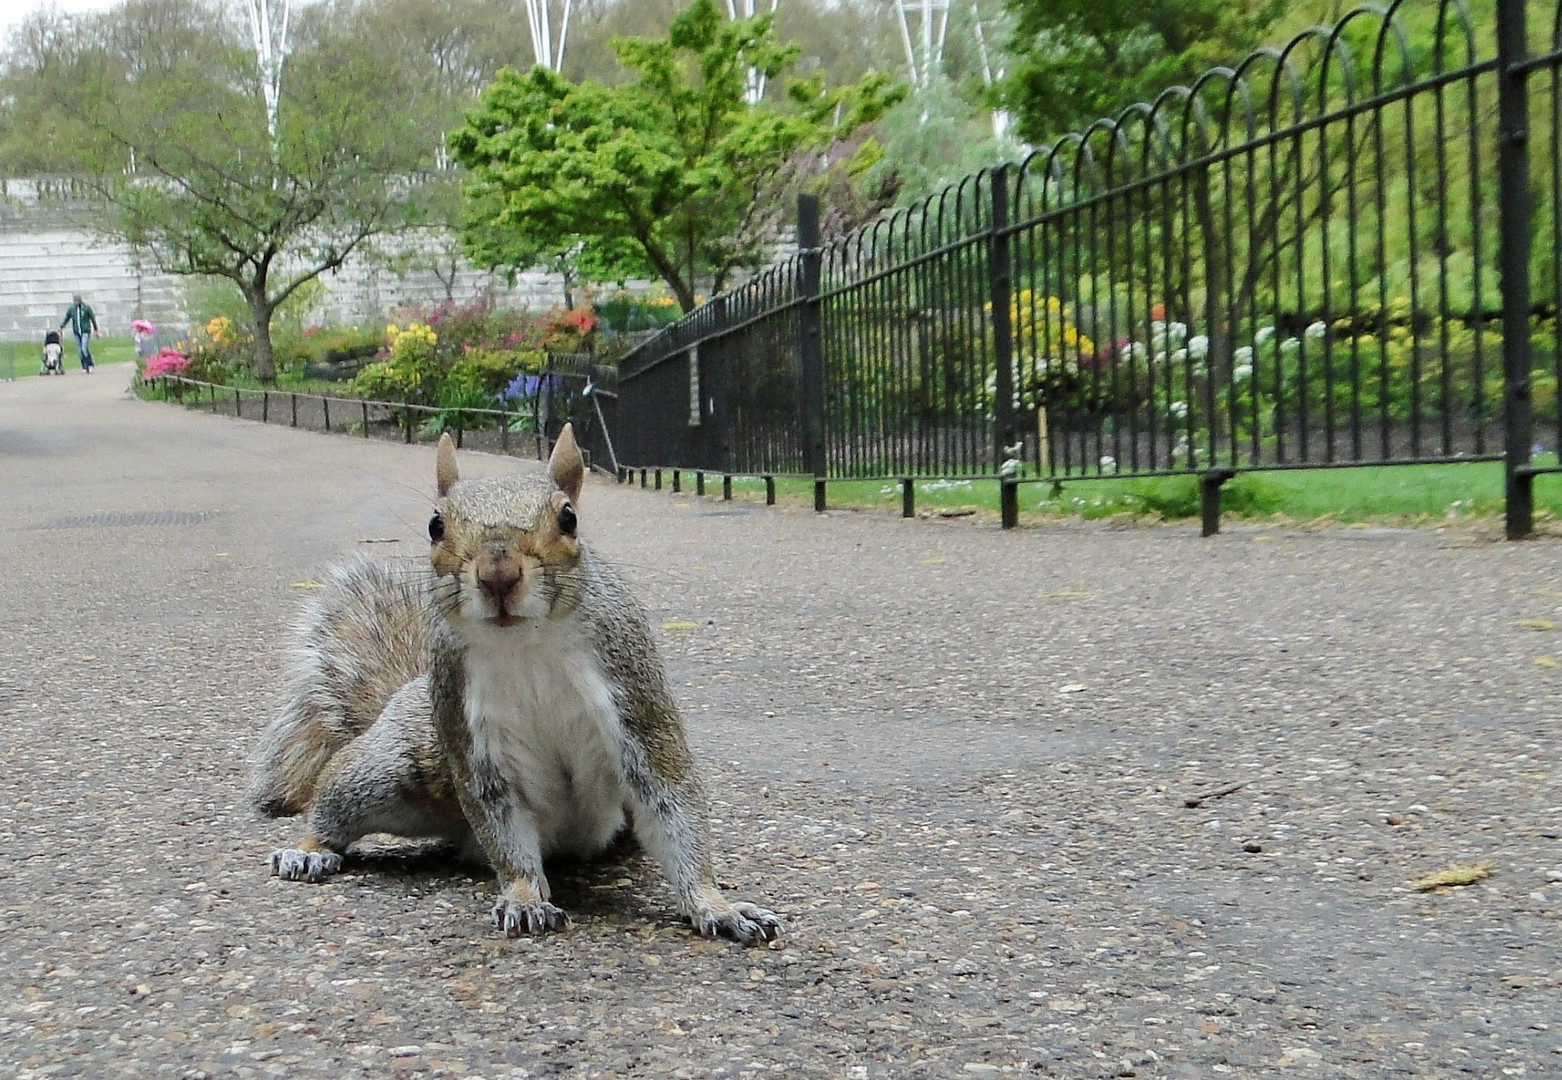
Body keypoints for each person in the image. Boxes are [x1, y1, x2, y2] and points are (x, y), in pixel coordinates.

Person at [60, 294, 99, 372]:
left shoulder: (86, 308)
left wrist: (96, 330)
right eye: (75, 301)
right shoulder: (71, 309)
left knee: (84, 348)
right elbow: (67, 318)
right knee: (79, 350)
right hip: (77, 332)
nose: (76, 303)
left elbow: (92, 319)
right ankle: (84, 365)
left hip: (85, 331)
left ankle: (88, 364)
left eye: (77, 301)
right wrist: (61, 327)